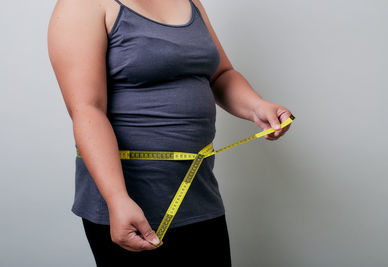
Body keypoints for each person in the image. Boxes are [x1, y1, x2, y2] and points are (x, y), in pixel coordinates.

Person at [47, 0, 293, 266]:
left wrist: (257, 106)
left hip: (198, 192)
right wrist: (117, 198)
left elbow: (220, 73)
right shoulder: (82, 5)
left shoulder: (190, 2)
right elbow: (87, 109)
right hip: (128, 202)